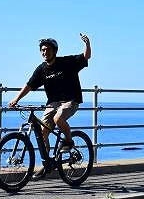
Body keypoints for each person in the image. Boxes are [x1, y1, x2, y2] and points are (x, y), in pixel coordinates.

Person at [9, 34, 91, 176]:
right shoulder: (41, 69)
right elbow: (29, 85)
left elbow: (86, 56)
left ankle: (69, 141)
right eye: (42, 50)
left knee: (58, 118)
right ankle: (46, 163)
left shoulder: (66, 62)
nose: (45, 52)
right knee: (43, 133)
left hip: (71, 100)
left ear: (54, 51)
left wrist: (87, 44)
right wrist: (16, 99)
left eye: (47, 50)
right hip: (52, 103)